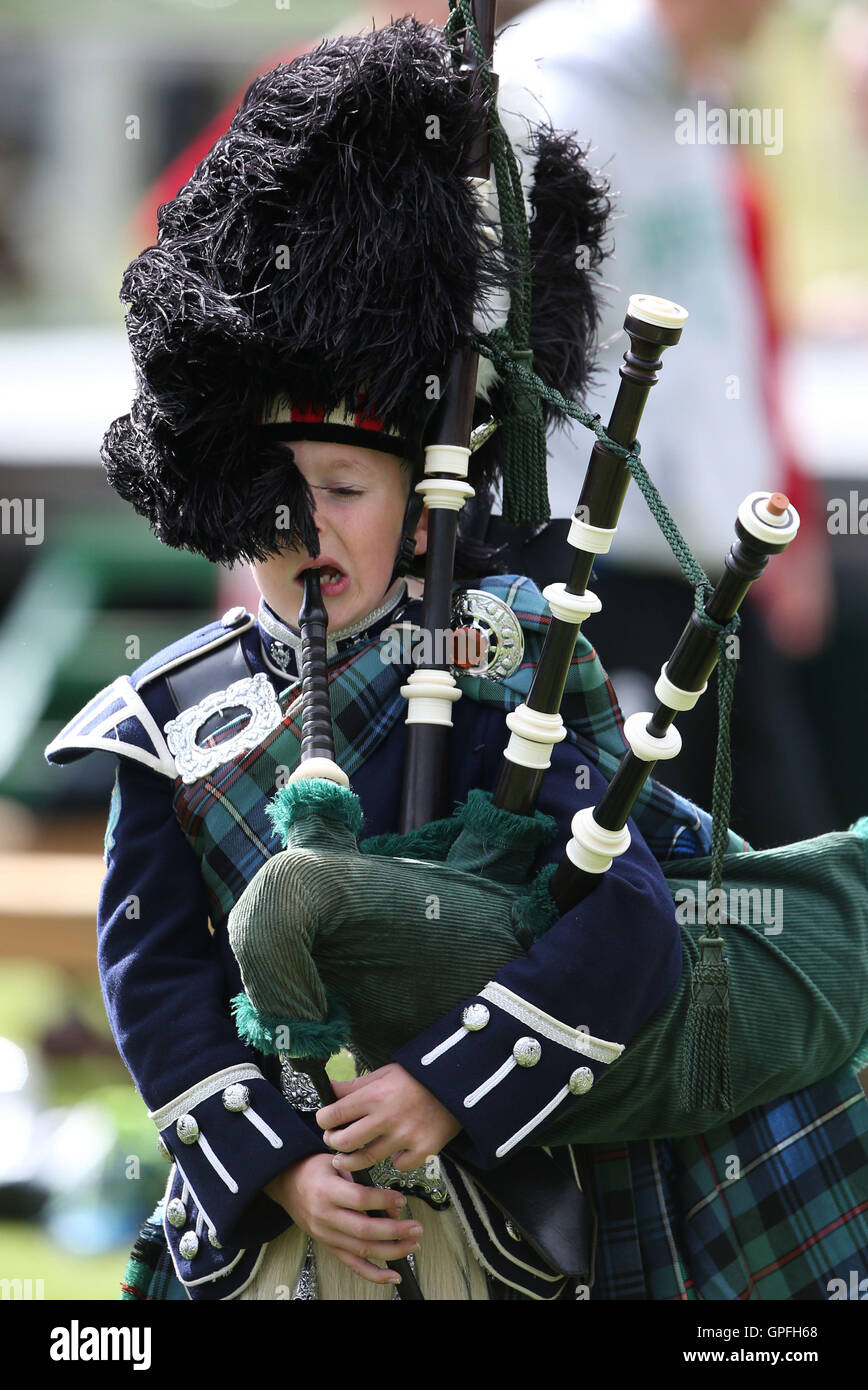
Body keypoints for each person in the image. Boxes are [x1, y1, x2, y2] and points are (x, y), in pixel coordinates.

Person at [45, 12, 868, 1302]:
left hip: (518, 1196)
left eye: (343, 485)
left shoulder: (517, 654)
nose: (306, 523)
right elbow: (156, 975)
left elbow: (631, 912)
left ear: (428, 498)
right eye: (272, 489)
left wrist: (447, 1087)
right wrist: (275, 1168)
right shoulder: (168, 715)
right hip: (284, 1226)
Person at [488, 0, 836, 848]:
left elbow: (725, 333)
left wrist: (754, 499)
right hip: (591, 568)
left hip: (705, 569)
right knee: (633, 878)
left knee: (786, 873)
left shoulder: (701, 93)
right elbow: (498, 336)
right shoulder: (544, 91)